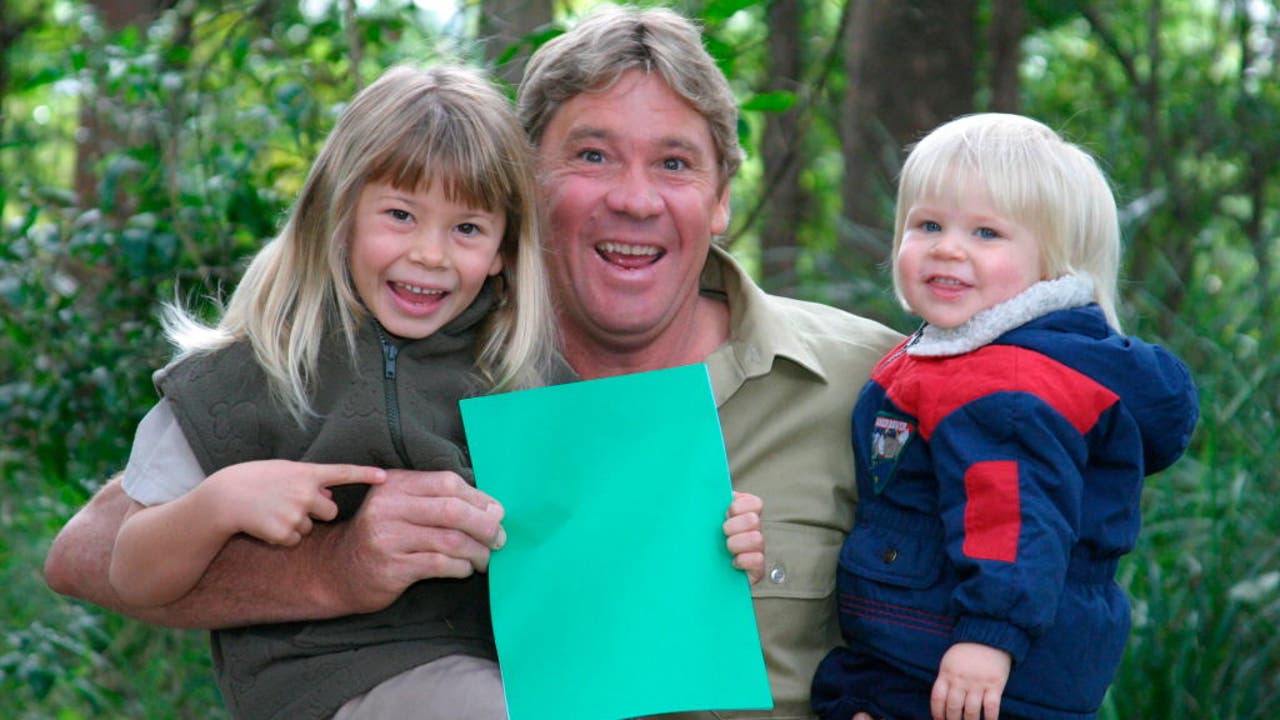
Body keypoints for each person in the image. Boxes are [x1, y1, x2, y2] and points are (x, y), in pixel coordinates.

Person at [45, 5, 897, 719]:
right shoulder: (411, 349)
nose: (634, 198)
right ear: (525, 187)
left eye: (674, 164)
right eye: (592, 155)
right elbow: (88, 556)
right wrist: (334, 568)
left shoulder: (873, 377)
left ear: (720, 200)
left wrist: (716, 548)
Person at [809, 113, 1199, 720]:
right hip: (924, 646)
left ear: (1053, 264)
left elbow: (1015, 516)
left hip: (972, 665)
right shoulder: (963, 352)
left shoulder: (1005, 385)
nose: (947, 247)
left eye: (986, 232)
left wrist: (989, 636)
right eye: (928, 224)